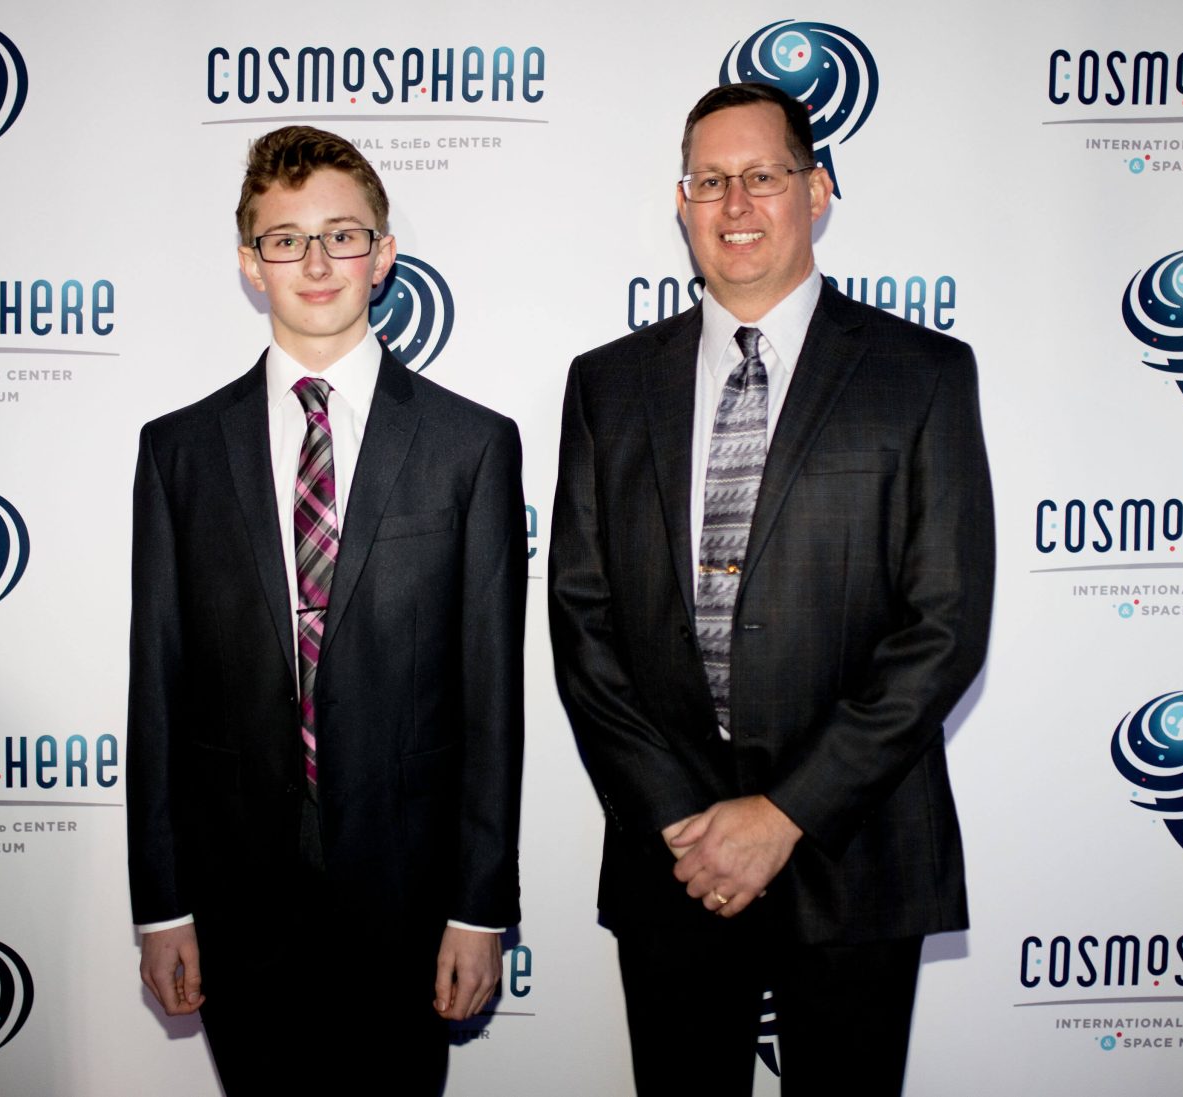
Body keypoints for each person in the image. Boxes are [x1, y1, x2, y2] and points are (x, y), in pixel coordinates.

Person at [548, 83, 994, 1096]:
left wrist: (785, 813)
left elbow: (945, 626)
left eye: (762, 175)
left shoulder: (921, 374)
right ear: (682, 202)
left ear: (818, 190)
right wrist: (684, 820)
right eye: (710, 181)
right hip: (674, 861)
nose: (736, 202)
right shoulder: (607, 385)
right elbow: (582, 620)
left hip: (855, 850)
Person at [127, 125, 525, 1095]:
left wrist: (479, 906)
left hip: (410, 892)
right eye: (285, 239)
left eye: (342, 236)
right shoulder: (179, 452)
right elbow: (157, 690)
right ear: (249, 262)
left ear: (382, 256)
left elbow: (492, 699)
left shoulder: (470, 447)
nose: (315, 262)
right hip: (236, 896)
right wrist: (162, 905)